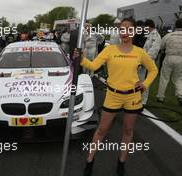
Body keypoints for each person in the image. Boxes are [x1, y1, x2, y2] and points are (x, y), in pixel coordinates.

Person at [73, 18, 158, 176]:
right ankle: (90, 161)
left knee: (128, 130)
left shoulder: (139, 52)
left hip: (132, 97)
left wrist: (145, 84)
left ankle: (121, 162)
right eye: (122, 28)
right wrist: (82, 58)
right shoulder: (109, 50)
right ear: (119, 31)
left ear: (134, 32)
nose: (125, 32)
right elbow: (93, 66)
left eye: (129, 29)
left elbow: (153, 70)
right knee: (102, 130)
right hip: (112, 95)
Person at [157, 19, 182, 105]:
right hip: (180, 59)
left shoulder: (169, 35)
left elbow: (161, 46)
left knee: (164, 78)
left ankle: (160, 97)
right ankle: (180, 95)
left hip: (169, 57)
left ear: (175, 25)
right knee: (178, 78)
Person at [139, 19, 161, 105]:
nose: (145, 29)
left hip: (148, 62)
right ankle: (139, 99)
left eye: (145, 27)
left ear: (148, 26)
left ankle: (143, 102)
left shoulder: (156, 36)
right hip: (143, 61)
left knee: (146, 83)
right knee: (140, 81)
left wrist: (144, 61)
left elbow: (153, 51)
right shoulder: (150, 34)